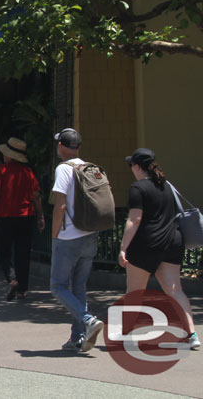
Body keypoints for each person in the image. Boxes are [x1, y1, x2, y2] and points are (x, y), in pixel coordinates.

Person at [118, 148, 199, 350]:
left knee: (134, 292)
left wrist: (123, 248)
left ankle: (128, 335)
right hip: (172, 241)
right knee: (175, 290)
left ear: (137, 166)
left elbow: (135, 219)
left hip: (146, 244)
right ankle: (191, 334)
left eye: (131, 165)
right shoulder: (166, 185)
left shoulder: (137, 188)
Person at [50, 128, 105, 353]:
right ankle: (78, 338)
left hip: (69, 237)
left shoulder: (63, 169)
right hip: (90, 235)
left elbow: (60, 205)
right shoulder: (89, 168)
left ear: (62, 146)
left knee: (58, 286)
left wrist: (54, 234)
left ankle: (87, 320)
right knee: (79, 286)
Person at [0, 138, 45, 301]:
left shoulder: (1, 170)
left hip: (4, 216)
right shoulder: (28, 172)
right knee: (23, 252)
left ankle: (12, 278)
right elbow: (36, 196)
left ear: (9, 156)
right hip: (26, 216)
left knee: (3, 251)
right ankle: (22, 290)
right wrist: (40, 215)